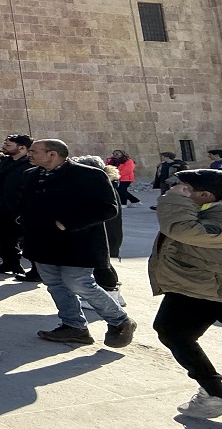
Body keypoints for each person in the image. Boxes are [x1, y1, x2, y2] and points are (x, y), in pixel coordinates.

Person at [18, 139, 137, 348]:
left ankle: (120, 321)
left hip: (78, 243)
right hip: (42, 243)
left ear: (52, 154)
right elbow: (26, 204)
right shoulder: (30, 175)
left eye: (34, 151)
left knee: (79, 283)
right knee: (54, 284)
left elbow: (108, 208)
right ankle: (74, 326)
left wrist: (69, 223)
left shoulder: (89, 175)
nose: (29, 154)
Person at [149, 169, 222, 419]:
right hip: (196, 286)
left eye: (183, 187)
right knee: (173, 331)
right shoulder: (204, 207)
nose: (175, 189)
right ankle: (216, 395)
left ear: (206, 194)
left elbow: (184, 230)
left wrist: (175, 200)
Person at [74, 155, 126, 308]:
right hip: (104, 232)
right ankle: (114, 295)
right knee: (102, 263)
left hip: (103, 232)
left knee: (101, 265)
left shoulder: (100, 186)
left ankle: (109, 295)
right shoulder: (104, 183)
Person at [0, 134, 35, 278]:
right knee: (3, 236)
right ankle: (10, 263)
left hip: (23, 207)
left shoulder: (30, 163)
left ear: (22, 147)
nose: (4, 147)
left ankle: (37, 270)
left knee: (28, 239)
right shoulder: (5, 162)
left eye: (8, 145)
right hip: (3, 205)